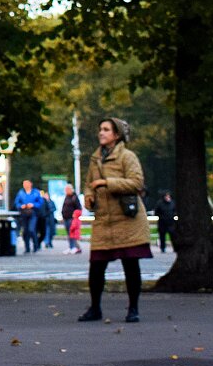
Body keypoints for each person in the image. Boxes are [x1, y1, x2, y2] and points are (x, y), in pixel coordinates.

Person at [79, 118, 152, 323]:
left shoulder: (127, 157)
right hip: (104, 220)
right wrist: (89, 197)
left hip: (128, 220)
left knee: (130, 265)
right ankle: (95, 308)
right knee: (96, 266)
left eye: (106, 130)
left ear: (116, 135)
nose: (101, 133)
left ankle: (133, 309)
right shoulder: (95, 159)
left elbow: (137, 183)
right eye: (100, 129)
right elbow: (88, 184)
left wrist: (106, 182)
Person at [13, 180, 44, 253]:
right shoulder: (21, 192)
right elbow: (17, 202)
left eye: (26, 184)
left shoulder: (35, 192)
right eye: (24, 184)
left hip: (33, 213)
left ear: (30, 184)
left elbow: (40, 202)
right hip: (24, 213)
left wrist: (33, 205)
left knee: (31, 229)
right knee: (25, 231)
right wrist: (21, 206)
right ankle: (27, 247)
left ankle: (35, 246)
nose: (25, 185)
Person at [60, 184, 83, 255]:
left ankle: (74, 247)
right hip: (66, 218)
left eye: (67, 189)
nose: (66, 191)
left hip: (72, 219)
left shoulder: (74, 197)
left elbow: (79, 208)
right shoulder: (67, 197)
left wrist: (75, 215)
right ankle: (71, 247)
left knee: (72, 233)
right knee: (69, 234)